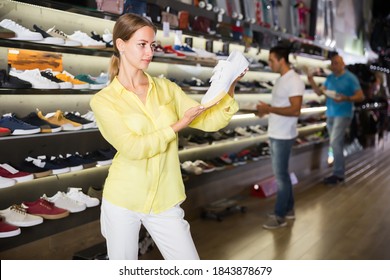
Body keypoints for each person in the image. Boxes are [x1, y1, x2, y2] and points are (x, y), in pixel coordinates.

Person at [90, 13, 245, 260]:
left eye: (152, 45)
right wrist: (176, 126)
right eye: (141, 44)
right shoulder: (103, 101)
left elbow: (210, 120)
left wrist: (230, 85)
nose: (149, 52)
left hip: (164, 199)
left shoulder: (166, 88)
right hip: (123, 199)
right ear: (121, 44)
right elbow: (133, 148)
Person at [256, 46, 304, 229]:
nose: (269, 64)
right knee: (282, 174)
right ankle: (288, 209)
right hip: (277, 132)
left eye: (271, 60)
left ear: (281, 60)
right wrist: (266, 110)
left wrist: (268, 109)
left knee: (281, 176)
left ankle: (279, 215)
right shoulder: (282, 79)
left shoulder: (294, 80)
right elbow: (282, 105)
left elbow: (295, 110)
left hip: (283, 135)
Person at [306, 54, 364, 185]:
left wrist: (346, 98)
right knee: (335, 142)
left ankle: (338, 173)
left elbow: (360, 96)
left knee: (335, 142)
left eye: (337, 63)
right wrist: (311, 80)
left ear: (343, 63)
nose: (334, 65)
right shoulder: (330, 78)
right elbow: (320, 93)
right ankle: (338, 171)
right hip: (331, 113)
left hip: (344, 113)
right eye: (333, 63)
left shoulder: (350, 78)